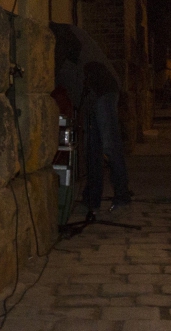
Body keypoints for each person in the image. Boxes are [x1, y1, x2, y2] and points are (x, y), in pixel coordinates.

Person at [50, 22, 133, 215]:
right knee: (92, 149)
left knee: (109, 144)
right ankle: (91, 200)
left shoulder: (60, 34)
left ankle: (122, 197)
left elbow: (52, 70)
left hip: (101, 88)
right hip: (89, 96)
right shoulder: (60, 36)